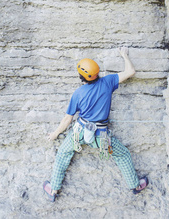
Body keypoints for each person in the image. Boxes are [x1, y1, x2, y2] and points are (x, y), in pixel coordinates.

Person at [43, 47, 148, 202]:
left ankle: (53, 190)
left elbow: (67, 120)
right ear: (97, 73)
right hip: (102, 137)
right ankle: (135, 186)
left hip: (79, 133)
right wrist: (124, 55)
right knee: (123, 154)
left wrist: (54, 134)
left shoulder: (78, 94)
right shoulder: (108, 82)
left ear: (81, 77)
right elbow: (130, 71)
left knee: (63, 154)